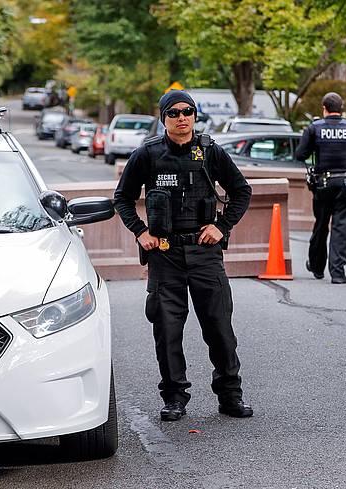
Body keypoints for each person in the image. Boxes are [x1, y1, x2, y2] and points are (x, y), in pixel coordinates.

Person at [113, 90, 253, 421]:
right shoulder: (147, 154)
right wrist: (140, 231)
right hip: (165, 255)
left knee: (219, 326)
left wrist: (222, 226)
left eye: (187, 111)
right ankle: (175, 396)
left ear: (194, 115)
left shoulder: (210, 151)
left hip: (205, 253)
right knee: (167, 329)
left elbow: (241, 191)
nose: (181, 117)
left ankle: (230, 395)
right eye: (174, 112)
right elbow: (122, 197)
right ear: (164, 118)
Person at [295, 92, 346, 284]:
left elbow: (300, 154)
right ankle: (337, 273)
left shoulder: (315, 128)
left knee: (320, 225)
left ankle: (317, 266)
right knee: (340, 227)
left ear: (324, 108)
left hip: (323, 184)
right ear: (341, 108)